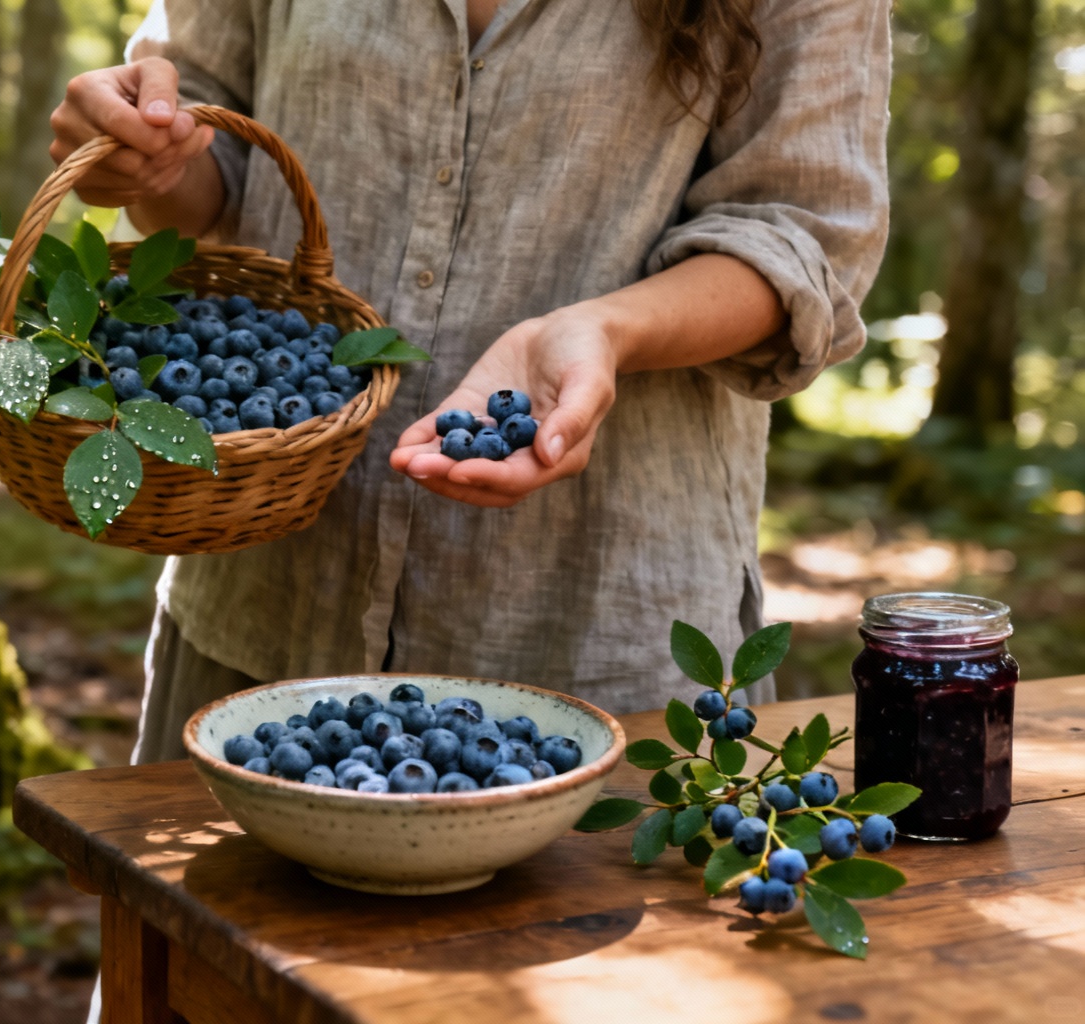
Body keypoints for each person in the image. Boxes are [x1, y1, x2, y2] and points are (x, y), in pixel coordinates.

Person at [49, 0, 890, 764]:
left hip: (591, 632)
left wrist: (607, 331)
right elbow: (209, 152)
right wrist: (145, 156)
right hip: (268, 605)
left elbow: (807, 235)